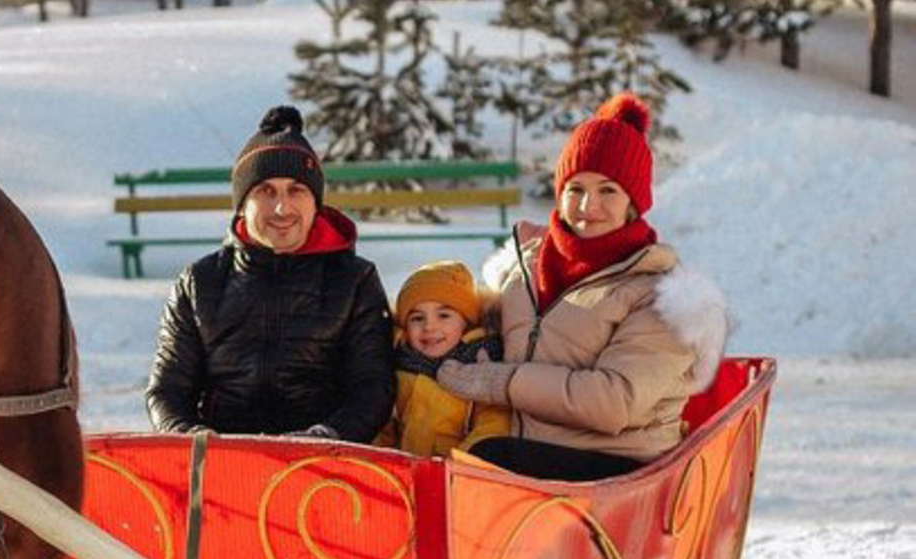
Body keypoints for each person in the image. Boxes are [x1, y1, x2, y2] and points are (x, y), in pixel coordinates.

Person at [435, 93, 729, 481]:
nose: (589, 205)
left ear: (633, 202)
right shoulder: (524, 267)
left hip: (618, 468)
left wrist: (505, 382)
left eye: (608, 190)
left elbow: (613, 403)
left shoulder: (660, 294)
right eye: (576, 189)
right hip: (531, 450)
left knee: (486, 463)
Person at [146, 105, 394, 441]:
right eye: (266, 191)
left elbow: (372, 387)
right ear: (243, 205)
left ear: (315, 202)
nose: (282, 208)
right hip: (223, 461)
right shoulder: (199, 283)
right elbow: (167, 389)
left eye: (296, 190)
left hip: (323, 466)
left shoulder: (354, 280)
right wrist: (192, 437)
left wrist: (326, 436)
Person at [372, 260, 510, 458]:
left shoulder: (481, 363)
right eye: (417, 318)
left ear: (466, 321)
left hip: (457, 475)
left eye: (444, 316)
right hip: (406, 474)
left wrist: (459, 463)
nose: (429, 327)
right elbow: (383, 424)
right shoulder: (400, 365)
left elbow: (494, 423)